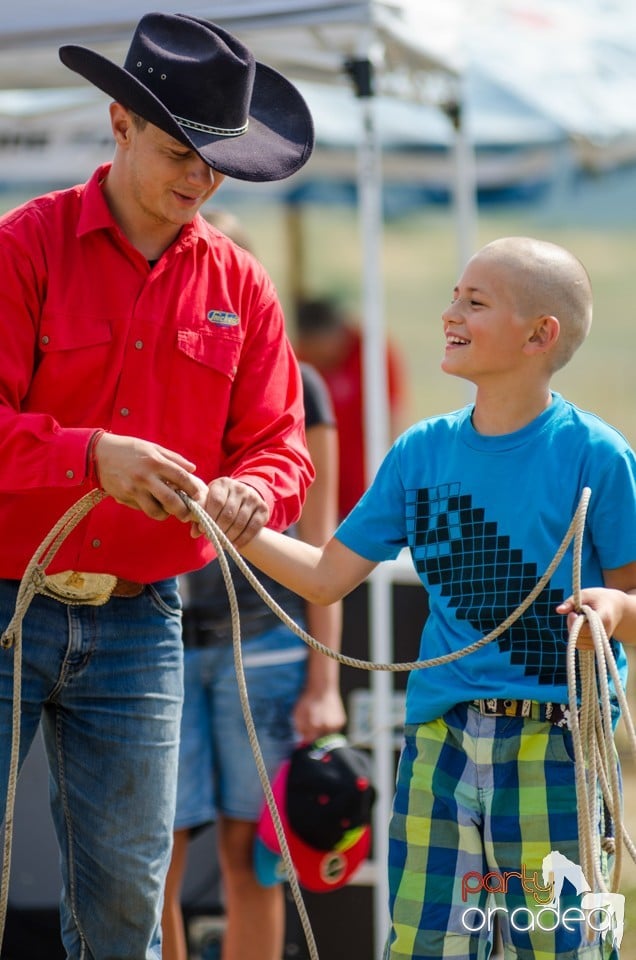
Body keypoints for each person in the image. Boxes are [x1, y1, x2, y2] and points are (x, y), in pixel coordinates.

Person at [0, 14, 315, 960]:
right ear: (119, 122)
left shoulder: (243, 285)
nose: (198, 180)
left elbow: (281, 450)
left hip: (146, 619)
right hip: (7, 599)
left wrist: (256, 493)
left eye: (214, 164)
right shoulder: (23, 247)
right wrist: (88, 456)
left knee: (131, 901)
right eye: (181, 153)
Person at [238, 237, 636, 959]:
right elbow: (327, 576)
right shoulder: (421, 452)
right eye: (454, 295)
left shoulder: (597, 455)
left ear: (539, 335)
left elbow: (634, 602)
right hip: (439, 745)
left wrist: (609, 612)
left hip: (558, 744)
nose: (449, 313)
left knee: (563, 948)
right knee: (427, 945)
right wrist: (228, 521)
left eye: (475, 302)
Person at [162, 210, 346, 960]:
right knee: (152, 862)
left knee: (255, 861)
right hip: (156, 641)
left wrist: (324, 679)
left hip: (264, 646)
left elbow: (322, 542)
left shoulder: (300, 384)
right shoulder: (151, 369)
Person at [295, 296, 410, 518]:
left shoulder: (373, 353)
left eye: (319, 347)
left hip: (367, 492)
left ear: (335, 333)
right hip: (316, 498)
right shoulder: (300, 360)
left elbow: (393, 417)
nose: (317, 356)